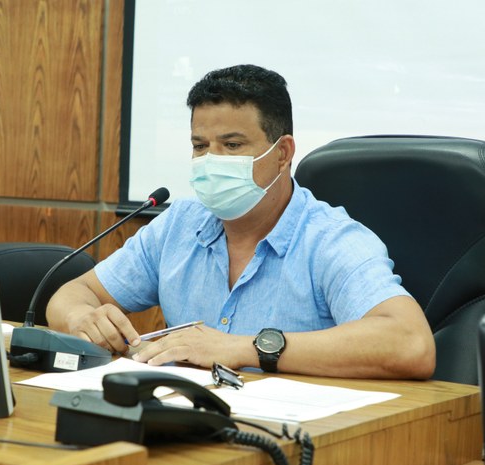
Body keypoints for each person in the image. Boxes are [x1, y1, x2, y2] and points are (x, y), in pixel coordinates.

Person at [46, 64, 435, 379]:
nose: (211, 160)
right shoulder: (179, 225)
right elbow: (73, 293)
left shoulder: (331, 240)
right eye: (200, 146)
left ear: (282, 154)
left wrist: (243, 348)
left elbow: (410, 344)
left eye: (232, 145)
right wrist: (83, 318)